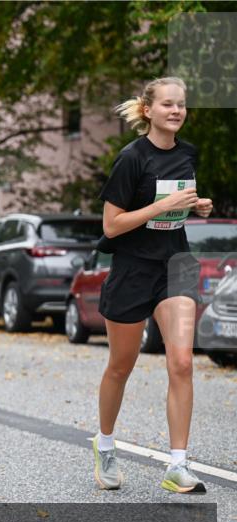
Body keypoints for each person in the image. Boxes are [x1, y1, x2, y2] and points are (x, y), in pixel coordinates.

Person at [92, 77, 213, 494]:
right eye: (168, 105)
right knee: (121, 366)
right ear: (148, 111)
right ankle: (105, 445)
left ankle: (178, 464)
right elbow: (112, 224)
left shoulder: (188, 155)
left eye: (181, 105)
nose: (176, 111)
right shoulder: (131, 159)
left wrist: (196, 207)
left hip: (175, 263)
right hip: (132, 269)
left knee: (181, 362)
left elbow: (175, 211)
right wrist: (160, 206)